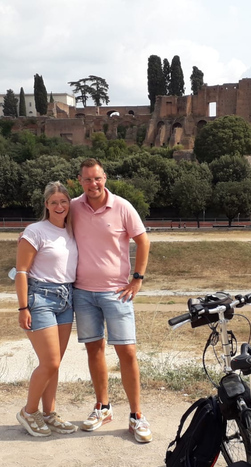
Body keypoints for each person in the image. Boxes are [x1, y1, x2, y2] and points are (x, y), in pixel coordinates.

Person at [71, 158, 152, 443]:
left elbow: (143, 241)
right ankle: (102, 407)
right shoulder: (72, 207)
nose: (93, 184)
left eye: (98, 178)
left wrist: (138, 278)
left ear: (105, 177)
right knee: (94, 351)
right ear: (79, 181)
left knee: (127, 353)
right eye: (87, 179)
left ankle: (137, 415)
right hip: (82, 292)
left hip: (117, 292)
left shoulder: (122, 206)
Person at [14, 181, 78, 437]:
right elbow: (21, 271)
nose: (59, 206)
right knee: (49, 361)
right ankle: (29, 412)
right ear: (46, 205)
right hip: (40, 298)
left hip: (66, 298)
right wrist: (22, 307)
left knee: (55, 363)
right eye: (54, 202)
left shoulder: (72, 232)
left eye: (64, 201)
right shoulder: (35, 231)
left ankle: (49, 414)